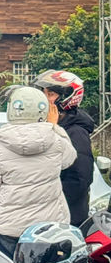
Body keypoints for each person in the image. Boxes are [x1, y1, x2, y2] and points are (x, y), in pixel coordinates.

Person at [0, 86, 76, 257]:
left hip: (9, 229)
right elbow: (69, 159)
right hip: (48, 228)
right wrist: (54, 127)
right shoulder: (55, 140)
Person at [35, 70, 95, 227]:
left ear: (67, 97)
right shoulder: (52, 126)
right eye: (43, 93)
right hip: (49, 216)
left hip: (66, 218)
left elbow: (79, 179)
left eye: (51, 94)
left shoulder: (75, 132)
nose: (45, 98)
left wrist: (51, 203)